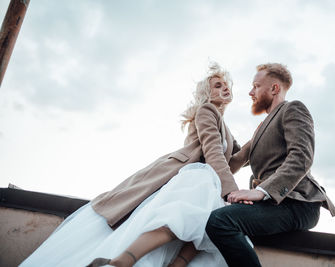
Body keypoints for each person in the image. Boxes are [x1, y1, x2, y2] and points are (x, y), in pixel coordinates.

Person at [19, 63, 240, 267]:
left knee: (206, 226)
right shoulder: (206, 110)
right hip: (193, 177)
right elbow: (213, 152)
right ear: (207, 93)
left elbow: (234, 160)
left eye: (225, 85)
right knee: (182, 218)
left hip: (208, 181)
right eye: (217, 85)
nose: (224, 88)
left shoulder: (226, 129)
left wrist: (261, 135)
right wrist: (231, 191)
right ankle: (124, 260)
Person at [206, 63, 335, 267]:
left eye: (256, 86)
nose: (251, 92)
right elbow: (234, 160)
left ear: (274, 88)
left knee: (220, 221)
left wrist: (261, 191)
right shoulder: (262, 127)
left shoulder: (293, 108)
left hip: (297, 202)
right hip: (274, 204)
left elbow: (301, 157)